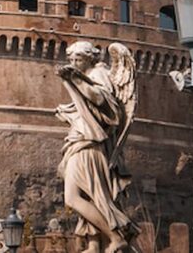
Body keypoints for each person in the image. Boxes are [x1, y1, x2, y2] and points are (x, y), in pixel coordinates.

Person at [55, 42, 136, 253]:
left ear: (90, 58)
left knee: (74, 197)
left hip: (90, 145)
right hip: (81, 140)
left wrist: (75, 79)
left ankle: (115, 237)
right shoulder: (85, 74)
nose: (74, 63)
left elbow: (102, 100)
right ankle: (94, 243)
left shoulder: (99, 73)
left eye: (78, 60)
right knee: (90, 195)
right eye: (71, 60)